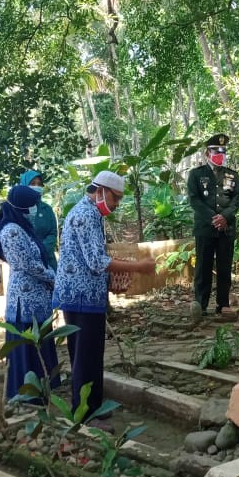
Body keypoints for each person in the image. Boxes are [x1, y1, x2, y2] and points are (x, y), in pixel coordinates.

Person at [53, 170, 156, 423]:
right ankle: (85, 412)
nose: (117, 204)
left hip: (81, 293)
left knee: (87, 353)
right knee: (86, 355)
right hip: (81, 295)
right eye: (116, 198)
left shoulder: (88, 212)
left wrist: (109, 282)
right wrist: (139, 267)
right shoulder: (87, 215)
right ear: (100, 191)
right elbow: (97, 261)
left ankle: (91, 406)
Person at [0, 185, 58, 400]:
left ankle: (44, 386)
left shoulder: (21, 226)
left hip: (36, 295)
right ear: (22, 205)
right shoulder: (12, 229)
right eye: (32, 204)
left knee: (40, 340)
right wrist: (53, 277)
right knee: (28, 345)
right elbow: (27, 263)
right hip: (25, 297)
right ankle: (28, 392)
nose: (34, 208)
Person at [186, 133, 239, 317]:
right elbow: (195, 200)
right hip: (205, 228)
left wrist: (224, 217)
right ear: (207, 153)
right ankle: (201, 304)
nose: (220, 154)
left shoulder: (232, 175)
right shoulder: (196, 174)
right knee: (203, 266)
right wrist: (214, 218)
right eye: (215, 151)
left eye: (223, 152)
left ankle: (223, 304)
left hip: (226, 228)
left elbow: (236, 200)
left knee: (225, 267)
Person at [19, 169, 59, 269]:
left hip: (47, 260)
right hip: (26, 262)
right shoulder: (17, 209)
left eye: (39, 184)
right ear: (24, 185)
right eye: (33, 183)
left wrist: (42, 249)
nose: (36, 186)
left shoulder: (47, 209)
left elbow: (53, 232)